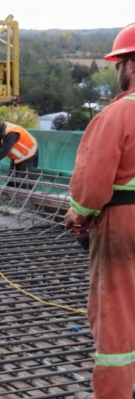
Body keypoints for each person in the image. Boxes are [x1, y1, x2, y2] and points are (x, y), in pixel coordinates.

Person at [64, 24, 135, 399]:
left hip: (125, 224)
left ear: (131, 65)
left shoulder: (119, 115)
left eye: (119, 62)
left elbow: (92, 187)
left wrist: (78, 216)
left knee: (118, 316)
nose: (117, 70)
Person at [0, 116, 39, 188]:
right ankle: (11, 196)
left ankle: (25, 197)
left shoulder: (11, 134)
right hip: (16, 158)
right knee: (11, 181)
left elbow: (1, 154)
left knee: (24, 184)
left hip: (29, 155)